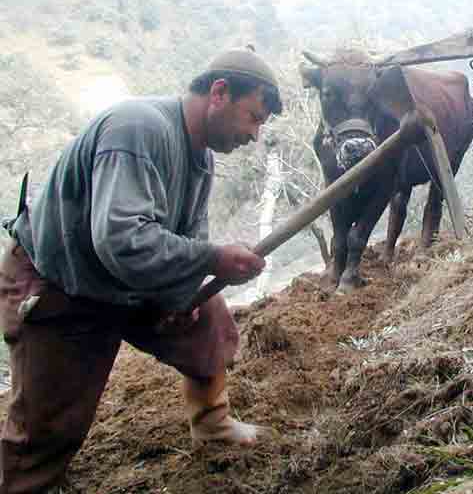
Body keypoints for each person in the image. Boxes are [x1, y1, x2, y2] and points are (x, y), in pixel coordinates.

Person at [0, 47, 283, 493]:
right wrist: (211, 260)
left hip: (123, 278)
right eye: (253, 118)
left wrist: (183, 294)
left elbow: (189, 233)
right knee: (48, 424)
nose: (254, 135)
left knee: (209, 321)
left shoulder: (201, 158)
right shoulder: (138, 128)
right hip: (62, 283)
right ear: (220, 93)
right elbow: (119, 239)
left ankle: (212, 423)